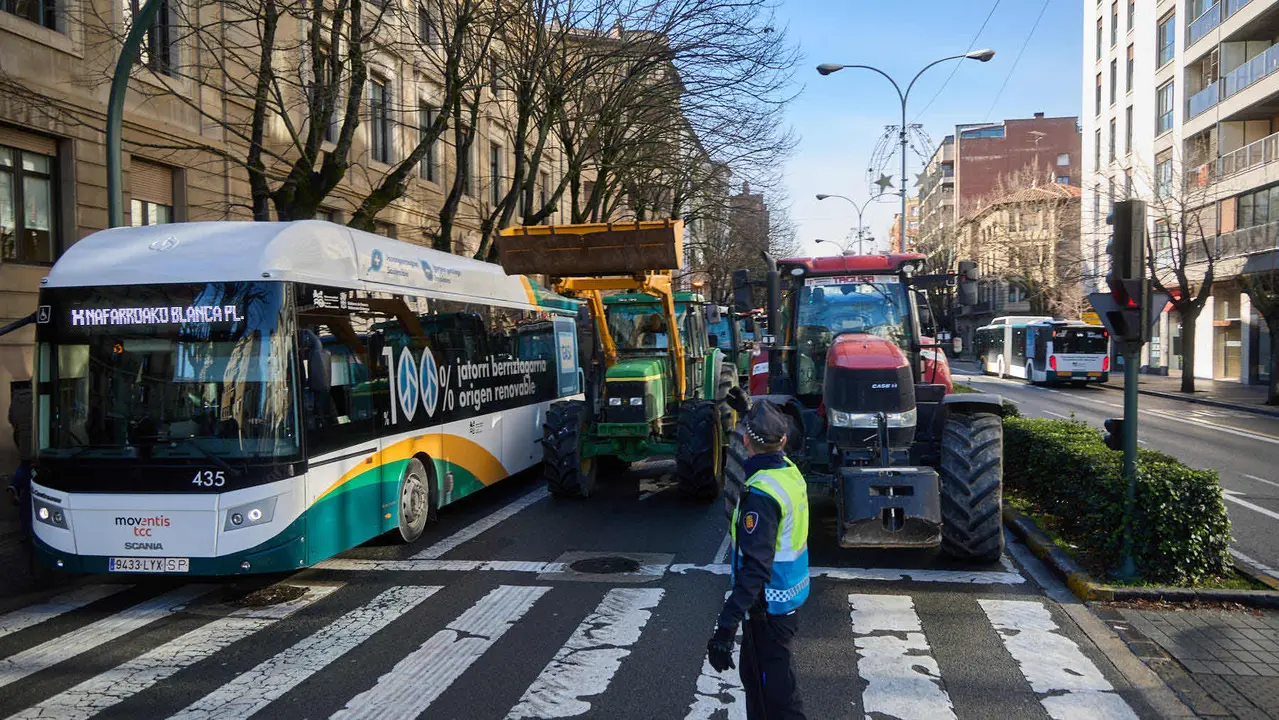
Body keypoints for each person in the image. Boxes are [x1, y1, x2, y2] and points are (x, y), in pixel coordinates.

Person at [706, 398, 809, 720]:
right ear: (783, 441)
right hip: (787, 597)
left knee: (776, 698)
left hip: (768, 608)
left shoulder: (761, 494)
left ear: (746, 442)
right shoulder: (789, 472)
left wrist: (725, 629)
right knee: (758, 680)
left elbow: (755, 569)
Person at [7, 382, 33, 538]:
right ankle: (29, 530)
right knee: (32, 489)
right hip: (39, 448)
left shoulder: (17, 399)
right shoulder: (39, 397)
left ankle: (15, 485)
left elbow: (11, 420)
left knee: (25, 466)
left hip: (23, 445)